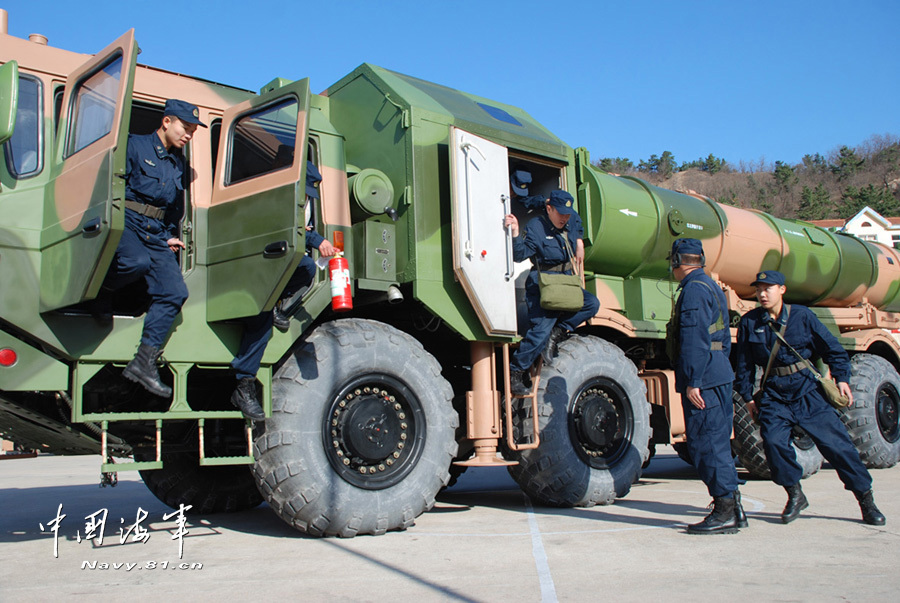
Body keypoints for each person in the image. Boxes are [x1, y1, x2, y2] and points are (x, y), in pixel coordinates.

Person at [735, 270, 886, 526]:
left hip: (807, 392)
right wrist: (748, 397)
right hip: (774, 395)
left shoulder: (802, 317)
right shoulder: (750, 322)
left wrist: (842, 379)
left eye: (768, 288)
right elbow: (744, 366)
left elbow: (834, 350)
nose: (762, 293)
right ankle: (794, 494)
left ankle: (866, 500)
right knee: (773, 444)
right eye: (758, 289)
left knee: (839, 448)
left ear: (782, 290)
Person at [105, 99, 203, 399]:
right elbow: (112, 187)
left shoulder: (176, 164)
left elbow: (169, 209)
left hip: (155, 233)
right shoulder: (134, 146)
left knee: (175, 292)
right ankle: (99, 294)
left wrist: (167, 236)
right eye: (185, 128)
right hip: (127, 221)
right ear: (166, 122)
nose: (188, 134)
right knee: (135, 262)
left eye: (192, 131)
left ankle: (143, 363)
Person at [227, 161, 335, 420]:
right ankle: (243, 386)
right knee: (261, 323)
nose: (307, 196)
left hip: (274, 265)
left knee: (307, 268)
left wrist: (318, 240)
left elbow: (301, 231)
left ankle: (275, 304)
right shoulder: (269, 196)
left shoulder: (303, 203)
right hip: (248, 266)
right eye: (305, 189)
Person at [668, 238, 743, 535]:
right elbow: (722, 339)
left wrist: (694, 381)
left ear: (677, 261)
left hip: (705, 378)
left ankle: (724, 510)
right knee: (718, 442)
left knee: (706, 445)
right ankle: (734, 507)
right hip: (718, 371)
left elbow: (694, 339)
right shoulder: (711, 286)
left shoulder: (694, 291)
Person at [503, 190, 599, 396]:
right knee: (540, 333)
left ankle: (558, 333)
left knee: (591, 304)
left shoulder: (570, 220)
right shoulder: (536, 227)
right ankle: (516, 371)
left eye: (567, 213)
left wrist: (580, 242)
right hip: (543, 284)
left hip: (565, 282)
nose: (565, 217)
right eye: (560, 213)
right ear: (549, 209)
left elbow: (578, 225)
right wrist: (516, 233)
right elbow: (520, 256)